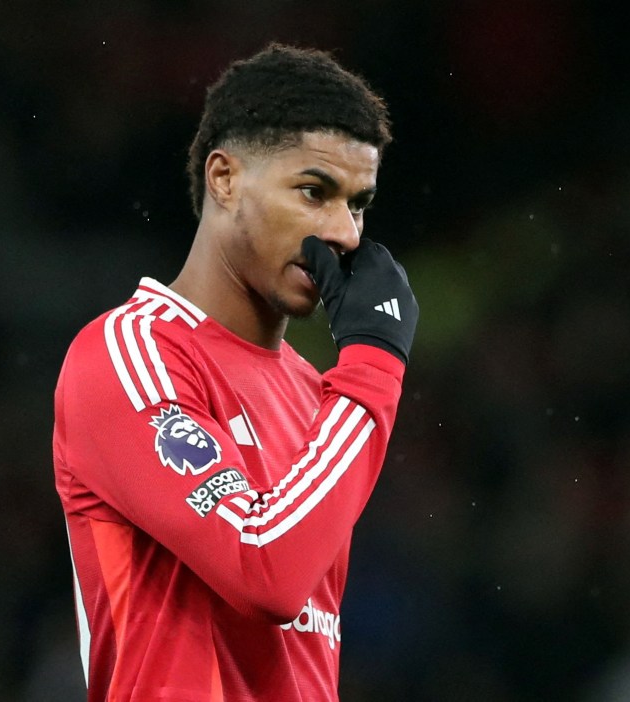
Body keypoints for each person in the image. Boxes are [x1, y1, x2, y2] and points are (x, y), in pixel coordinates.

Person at [52, 43, 419, 701]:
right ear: (225, 179)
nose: (344, 233)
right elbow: (264, 570)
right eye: (314, 191)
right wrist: (374, 363)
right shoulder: (129, 356)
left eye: (357, 204)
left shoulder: (319, 396)